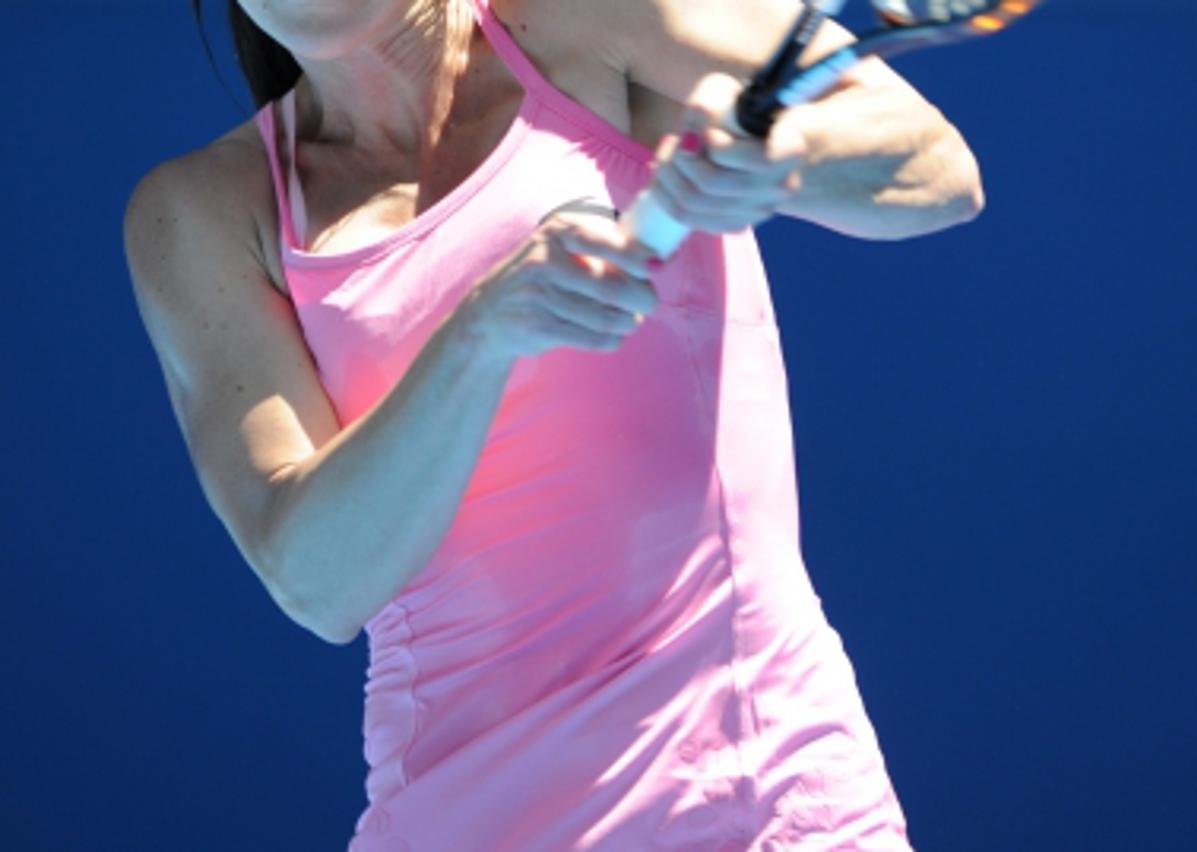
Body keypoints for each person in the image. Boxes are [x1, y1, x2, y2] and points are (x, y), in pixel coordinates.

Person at [123, 0, 982, 848]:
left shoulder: (597, 17)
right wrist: (481, 335)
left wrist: (787, 159)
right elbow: (320, 583)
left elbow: (939, 175)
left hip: (771, 807)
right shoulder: (201, 210)